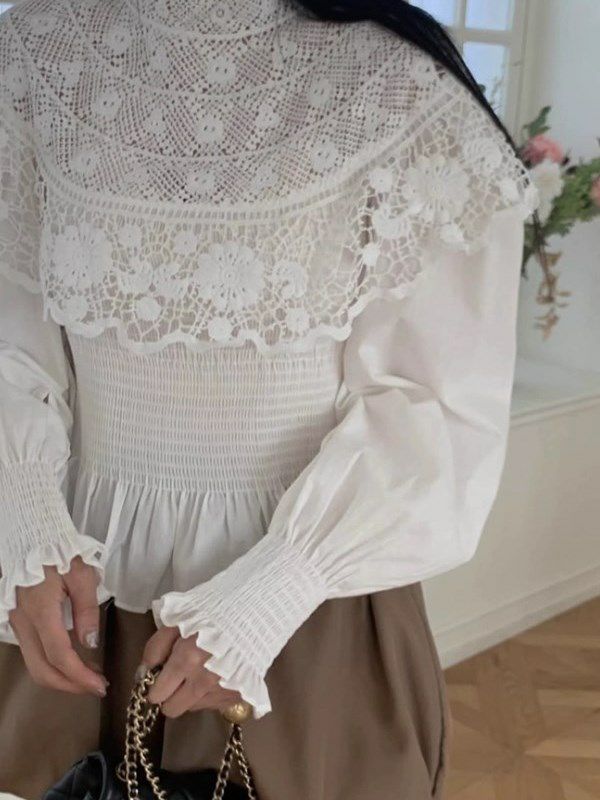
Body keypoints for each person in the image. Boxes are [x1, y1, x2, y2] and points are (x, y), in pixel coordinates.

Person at [0, 0, 539, 797]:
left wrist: (269, 595)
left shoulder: (401, 87)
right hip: (69, 600)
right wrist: (23, 524)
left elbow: (439, 410)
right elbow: (11, 338)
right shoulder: (37, 54)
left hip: (305, 621)